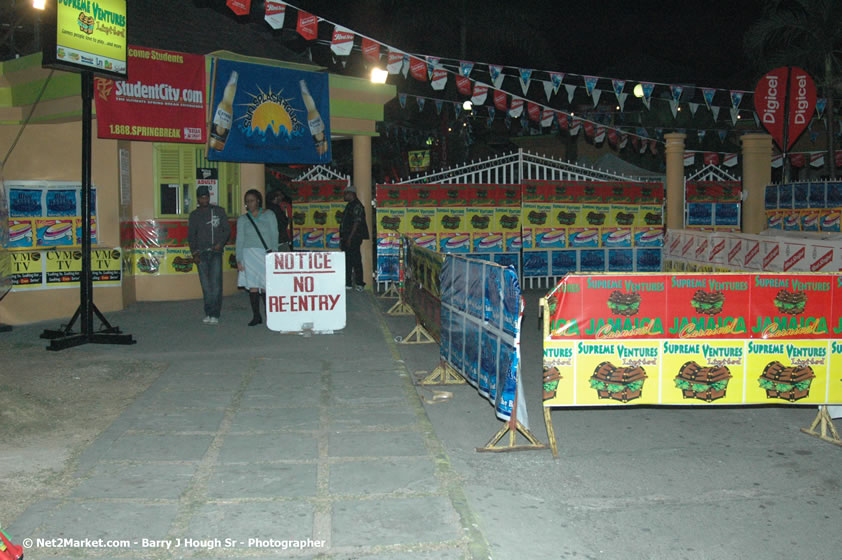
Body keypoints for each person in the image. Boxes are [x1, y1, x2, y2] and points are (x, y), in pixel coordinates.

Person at [187, 185, 230, 325]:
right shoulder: (194, 215)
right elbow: (191, 236)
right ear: (198, 199)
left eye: (206, 196)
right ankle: (208, 312)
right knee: (205, 285)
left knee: (216, 284)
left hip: (216, 252)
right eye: (201, 197)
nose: (204, 199)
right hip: (201, 253)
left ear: (209, 197)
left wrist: (220, 244)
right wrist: (194, 253)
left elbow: (226, 230)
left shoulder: (218, 211)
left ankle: (215, 314)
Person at [236, 189, 278, 326]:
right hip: (249, 255)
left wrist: (274, 254)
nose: (249, 203)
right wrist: (239, 259)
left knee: (265, 286)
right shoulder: (243, 219)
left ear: (258, 200)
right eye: (247, 201)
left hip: (265, 253)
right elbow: (240, 239)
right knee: (253, 286)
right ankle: (256, 316)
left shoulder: (269, 215)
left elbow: (274, 234)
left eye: (252, 200)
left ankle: (269, 316)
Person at [339, 183, 369, 291]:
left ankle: (360, 283)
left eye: (345, 194)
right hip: (348, 238)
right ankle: (348, 283)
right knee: (348, 261)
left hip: (353, 238)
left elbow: (356, 223)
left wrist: (350, 238)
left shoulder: (357, 205)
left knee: (355, 260)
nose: (344, 196)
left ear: (351, 194)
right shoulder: (350, 205)